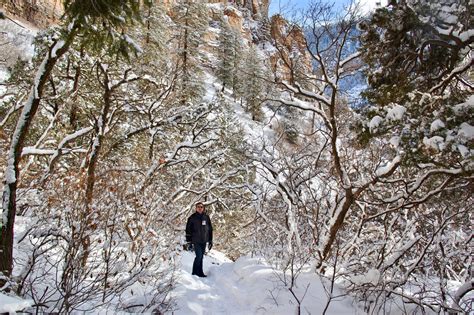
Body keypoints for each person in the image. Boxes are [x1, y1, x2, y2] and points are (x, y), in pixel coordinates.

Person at [185, 202, 213, 277]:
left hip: (204, 240)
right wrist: (189, 241)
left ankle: (200, 272)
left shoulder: (206, 217)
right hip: (196, 240)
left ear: (203, 208)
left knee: (201, 257)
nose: (200, 208)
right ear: (196, 208)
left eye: (201, 207)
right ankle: (194, 272)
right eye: (198, 207)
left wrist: (210, 240)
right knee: (199, 256)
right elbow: (188, 230)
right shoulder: (192, 218)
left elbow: (210, 229)